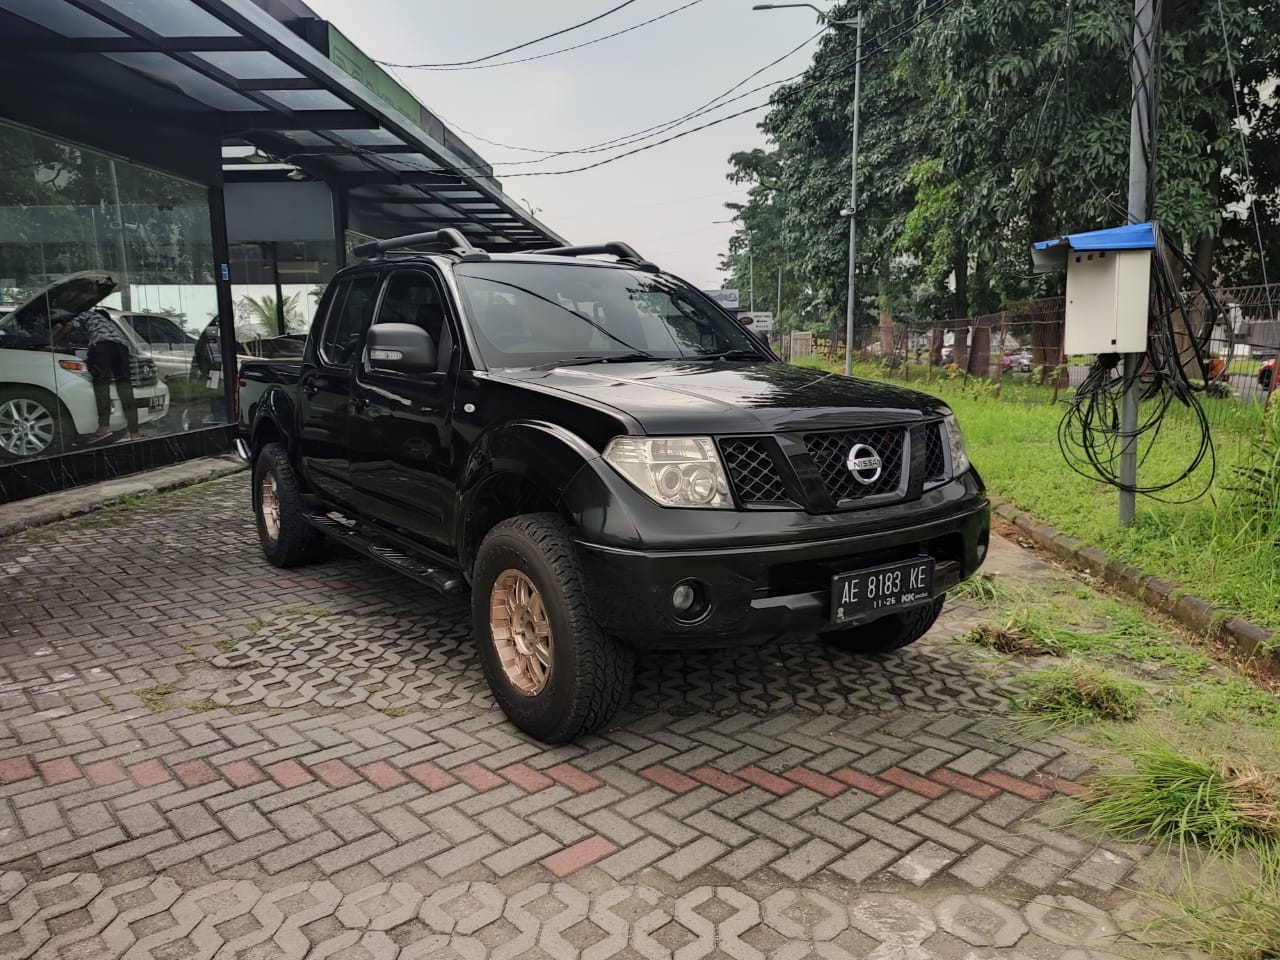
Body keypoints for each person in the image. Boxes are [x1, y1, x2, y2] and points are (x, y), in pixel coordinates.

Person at [53, 307, 140, 442]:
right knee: (125, 389)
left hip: (102, 346)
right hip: (121, 348)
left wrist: (52, 341)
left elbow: (67, 329)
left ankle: (104, 427)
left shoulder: (87, 314)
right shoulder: (109, 324)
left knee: (102, 386)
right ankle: (135, 433)